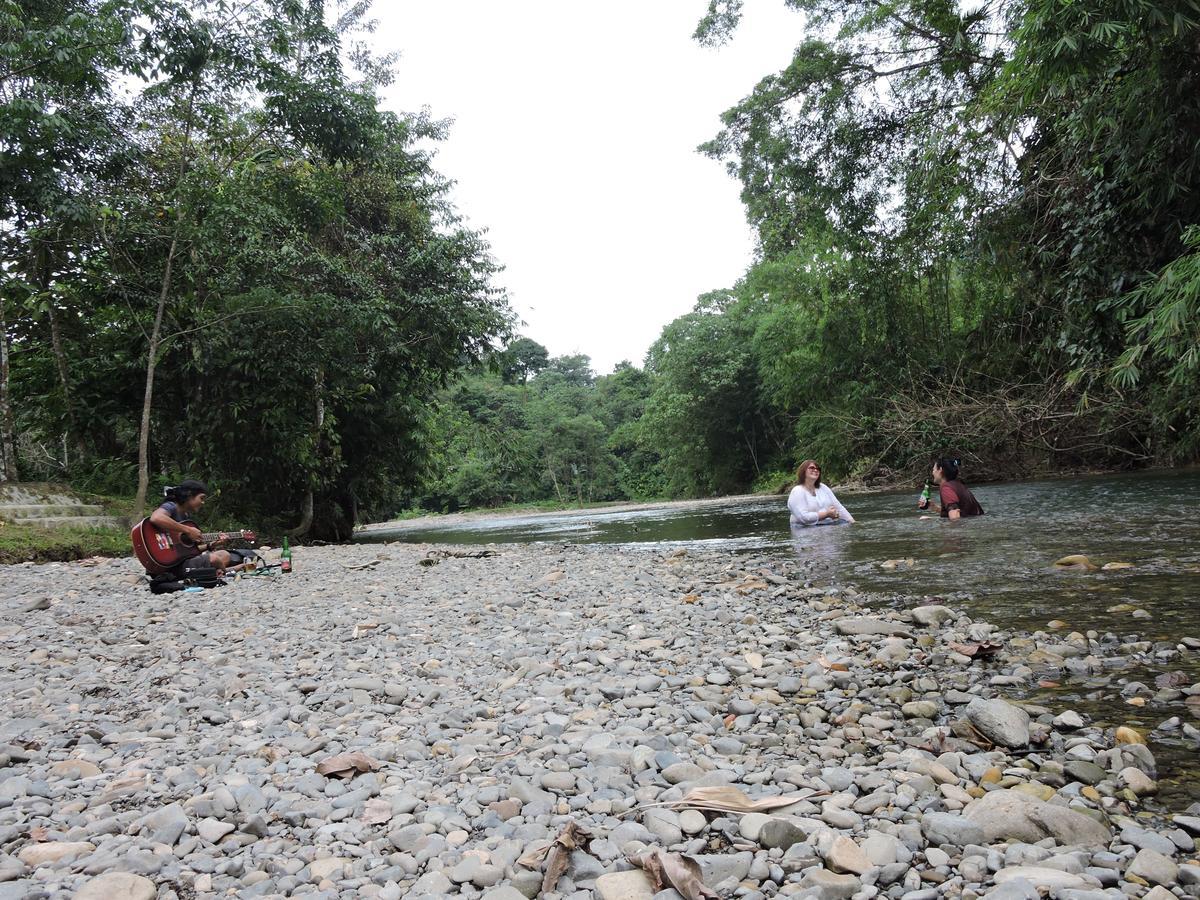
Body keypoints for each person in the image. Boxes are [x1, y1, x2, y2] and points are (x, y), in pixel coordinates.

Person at [149, 479, 235, 575]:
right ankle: (224, 571)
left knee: (224, 554)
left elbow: (189, 550)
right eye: (201, 498)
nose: (203, 502)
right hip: (167, 564)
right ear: (189, 495)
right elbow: (156, 518)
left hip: (180, 561)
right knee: (214, 559)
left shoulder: (186, 517)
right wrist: (188, 530)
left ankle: (215, 570)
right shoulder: (171, 506)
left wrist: (211, 545)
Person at [788, 459, 856, 526]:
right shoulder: (797, 491)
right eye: (812, 468)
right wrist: (827, 514)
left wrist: (852, 522)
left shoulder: (823, 487)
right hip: (804, 529)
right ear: (803, 471)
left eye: (818, 469)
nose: (815, 470)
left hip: (828, 525)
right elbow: (803, 517)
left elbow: (838, 506)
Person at [919, 457, 984, 520]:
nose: (932, 472)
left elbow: (955, 518)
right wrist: (934, 507)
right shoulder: (957, 484)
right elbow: (963, 514)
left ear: (940, 470)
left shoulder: (946, 489)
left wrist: (933, 520)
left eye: (933, 469)